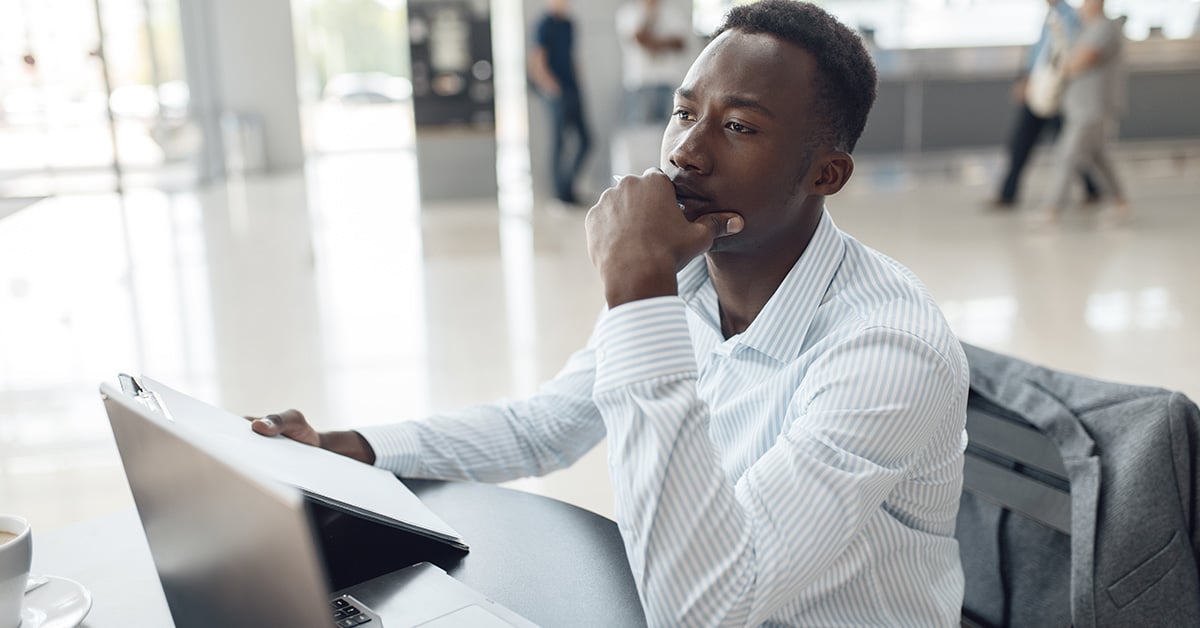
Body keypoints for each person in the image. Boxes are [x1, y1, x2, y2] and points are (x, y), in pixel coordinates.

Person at [252, 1, 969, 624]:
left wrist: (638, 288)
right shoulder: (692, 288)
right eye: (685, 112)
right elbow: (544, 427)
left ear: (826, 174)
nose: (686, 151)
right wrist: (350, 446)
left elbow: (706, 608)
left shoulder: (886, 349)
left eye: (740, 128)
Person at [993, 0, 1099, 209]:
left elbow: (1065, 55)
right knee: (1021, 142)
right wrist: (1026, 79)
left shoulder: (1070, 18)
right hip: (1039, 90)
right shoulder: (1049, 17)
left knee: (1068, 147)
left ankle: (1092, 189)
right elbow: (1038, 54)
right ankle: (1007, 193)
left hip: (1056, 94)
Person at [1042, 0, 1130, 223]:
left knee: (1066, 156)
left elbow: (1078, 62)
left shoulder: (1104, 28)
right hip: (1079, 106)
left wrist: (1061, 65)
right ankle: (1121, 203)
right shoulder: (1084, 29)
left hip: (1093, 108)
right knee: (1099, 156)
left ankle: (1051, 210)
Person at [528, 0, 591, 205]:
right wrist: (552, 88)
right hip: (556, 92)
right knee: (559, 143)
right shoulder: (543, 25)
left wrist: (578, 85)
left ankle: (567, 188)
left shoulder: (569, 24)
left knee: (586, 140)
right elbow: (537, 61)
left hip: (573, 89)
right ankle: (560, 194)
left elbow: (572, 57)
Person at [616, 0, 692, 126]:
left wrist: (653, 44)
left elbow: (681, 44)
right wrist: (650, 15)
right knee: (639, 130)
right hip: (639, 83)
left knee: (668, 129)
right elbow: (639, 38)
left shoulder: (673, 12)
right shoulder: (628, 12)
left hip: (667, 81)